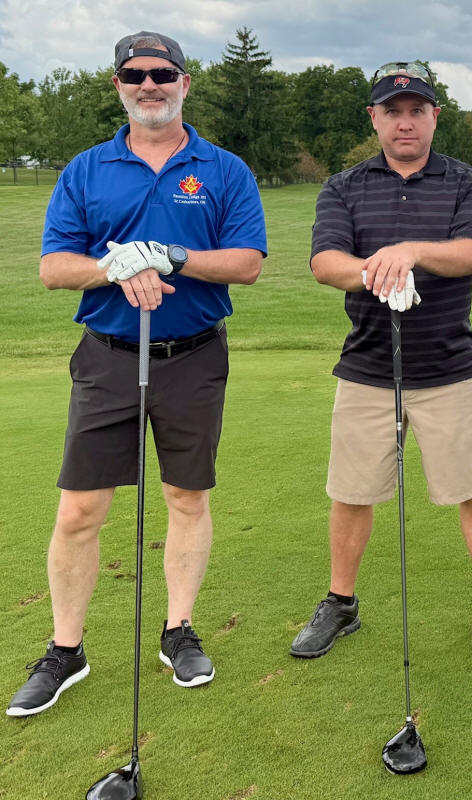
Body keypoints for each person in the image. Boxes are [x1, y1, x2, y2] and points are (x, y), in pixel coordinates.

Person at [6, 31, 266, 718]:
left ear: (184, 82)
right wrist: (113, 266)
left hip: (194, 357)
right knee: (79, 509)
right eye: (134, 74)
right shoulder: (87, 169)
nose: (149, 85)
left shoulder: (223, 169)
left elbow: (246, 262)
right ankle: (66, 650)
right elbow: (53, 267)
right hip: (108, 358)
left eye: (162, 73)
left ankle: (178, 631)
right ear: (118, 84)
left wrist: (169, 255)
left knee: (186, 497)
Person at [291, 61, 472, 663]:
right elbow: (325, 262)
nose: (405, 122)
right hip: (367, 366)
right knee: (351, 491)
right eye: (393, 112)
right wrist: (378, 271)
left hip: (447, 366)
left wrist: (409, 251)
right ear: (375, 118)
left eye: (417, 110)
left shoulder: (465, 182)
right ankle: (341, 602)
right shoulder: (343, 186)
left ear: (434, 116)